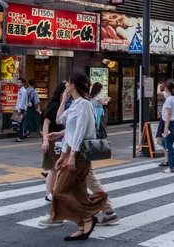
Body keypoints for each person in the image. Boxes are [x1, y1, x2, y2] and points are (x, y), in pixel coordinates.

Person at [43, 72, 107, 240]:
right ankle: (82, 226)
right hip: (70, 151)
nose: (65, 85)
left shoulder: (85, 104)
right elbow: (59, 120)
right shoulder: (75, 104)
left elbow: (80, 132)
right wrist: (64, 100)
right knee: (77, 191)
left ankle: (87, 216)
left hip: (79, 155)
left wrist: (71, 155)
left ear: (74, 85)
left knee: (60, 191)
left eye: (67, 83)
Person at [40, 83, 66, 204]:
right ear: (62, 93)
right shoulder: (55, 106)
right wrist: (45, 140)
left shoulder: (62, 105)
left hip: (59, 139)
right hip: (53, 140)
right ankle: (49, 194)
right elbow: (46, 122)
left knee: (55, 167)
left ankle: (50, 194)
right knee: (54, 167)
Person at [14, 77, 29, 142]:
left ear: (23, 83)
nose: (18, 83)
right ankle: (25, 132)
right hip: (18, 109)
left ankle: (21, 137)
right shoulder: (19, 90)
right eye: (17, 82)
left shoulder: (23, 91)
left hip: (21, 109)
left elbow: (22, 101)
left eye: (19, 82)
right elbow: (18, 101)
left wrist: (20, 109)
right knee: (15, 123)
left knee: (19, 124)